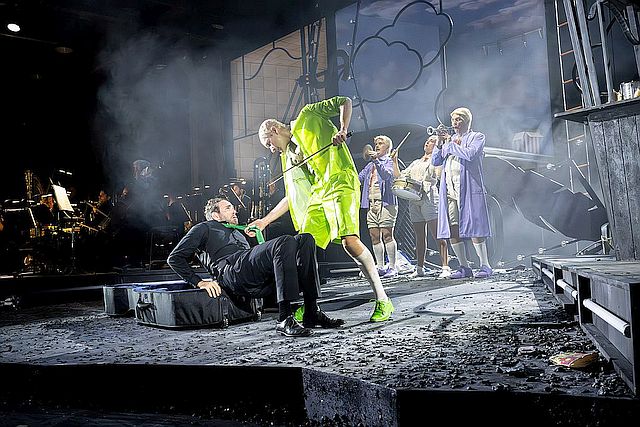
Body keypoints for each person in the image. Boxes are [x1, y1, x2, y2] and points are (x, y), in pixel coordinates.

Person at [253, 96, 394, 322]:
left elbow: (344, 101)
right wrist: (265, 221)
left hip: (341, 181)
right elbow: (292, 196)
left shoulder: (308, 115)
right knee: (304, 245)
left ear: (274, 130)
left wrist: (342, 129)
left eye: (269, 143)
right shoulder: (289, 156)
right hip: (320, 191)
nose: (271, 149)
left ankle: (383, 300)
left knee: (350, 242)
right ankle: (311, 307)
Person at [167, 197, 344, 337]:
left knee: (306, 239)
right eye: (228, 208)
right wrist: (200, 282)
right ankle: (284, 319)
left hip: (251, 273)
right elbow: (174, 258)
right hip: (232, 272)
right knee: (285, 241)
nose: (234, 210)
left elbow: (266, 256)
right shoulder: (204, 228)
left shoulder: (238, 231)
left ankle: (312, 311)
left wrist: (256, 236)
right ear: (216, 216)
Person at [432, 107, 492, 279]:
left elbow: (470, 154)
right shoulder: (449, 141)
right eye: (453, 120)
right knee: (453, 228)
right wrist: (439, 142)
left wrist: (450, 144)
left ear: (467, 121)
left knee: (474, 227)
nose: (455, 123)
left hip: (469, 189)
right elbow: (436, 160)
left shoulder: (477, 137)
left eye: (459, 120)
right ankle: (464, 267)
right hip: (450, 190)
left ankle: (485, 265)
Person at [393, 135, 451, 278]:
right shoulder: (415, 162)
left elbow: (438, 175)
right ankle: (420, 267)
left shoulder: (436, 160)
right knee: (419, 236)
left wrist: (440, 155)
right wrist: (394, 160)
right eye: (428, 140)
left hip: (429, 198)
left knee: (437, 234)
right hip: (414, 199)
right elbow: (399, 176)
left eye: (432, 141)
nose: (428, 142)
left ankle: (445, 267)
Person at [358, 135, 399, 278]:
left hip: (386, 203)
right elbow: (359, 178)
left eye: (380, 143)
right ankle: (380, 266)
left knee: (387, 234)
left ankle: (392, 267)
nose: (376, 145)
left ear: (387, 147)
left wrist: (376, 160)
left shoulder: (389, 161)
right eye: (376, 143)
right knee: (374, 235)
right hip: (371, 203)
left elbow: (387, 175)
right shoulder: (370, 166)